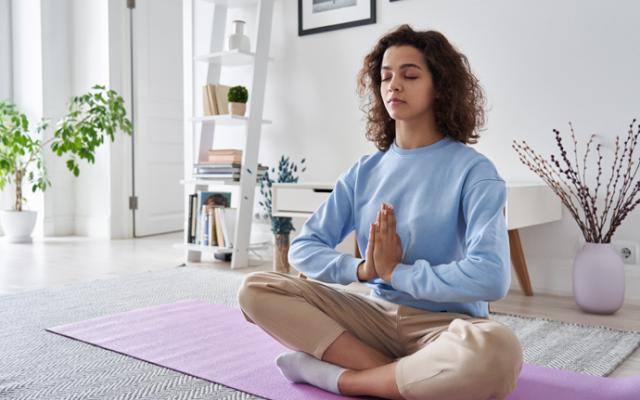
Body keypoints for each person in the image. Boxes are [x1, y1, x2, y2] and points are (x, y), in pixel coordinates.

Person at [237, 24, 523, 400]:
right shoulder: (364, 172)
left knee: (498, 348)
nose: (393, 85)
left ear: (440, 85)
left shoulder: (475, 171)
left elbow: (491, 277)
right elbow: (304, 247)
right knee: (256, 289)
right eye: (386, 76)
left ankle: (339, 378)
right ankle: (402, 376)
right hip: (372, 318)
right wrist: (363, 270)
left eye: (410, 75)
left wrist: (396, 273)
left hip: (446, 327)